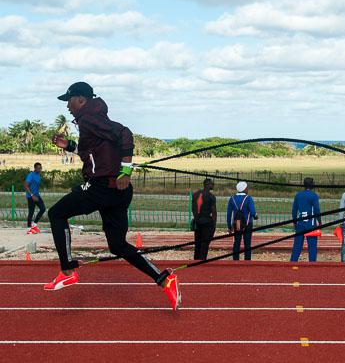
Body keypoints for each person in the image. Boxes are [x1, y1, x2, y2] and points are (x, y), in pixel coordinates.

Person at [46, 81, 181, 310]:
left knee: (56, 213)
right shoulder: (91, 118)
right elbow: (94, 151)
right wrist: (69, 145)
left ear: (80, 99)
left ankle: (67, 270)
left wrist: (126, 170)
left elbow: (124, 133)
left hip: (101, 188)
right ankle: (165, 280)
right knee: (117, 245)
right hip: (117, 192)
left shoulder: (89, 117)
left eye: (68, 101)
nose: (67, 106)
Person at [290, 177, 322, 262]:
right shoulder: (314, 195)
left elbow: (294, 210)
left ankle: (292, 262)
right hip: (311, 224)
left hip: (300, 223)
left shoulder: (298, 195)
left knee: (297, 245)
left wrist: (294, 222)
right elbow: (317, 210)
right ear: (312, 185)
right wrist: (319, 221)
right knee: (312, 246)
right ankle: (312, 264)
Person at [227, 181, 257, 260]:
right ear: (244, 189)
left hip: (237, 223)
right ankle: (247, 260)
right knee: (247, 243)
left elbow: (229, 213)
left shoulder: (232, 199)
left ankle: (235, 259)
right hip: (247, 223)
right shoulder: (248, 198)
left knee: (237, 242)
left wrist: (229, 226)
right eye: (247, 188)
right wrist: (255, 216)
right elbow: (253, 211)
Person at [192, 178, 218, 260]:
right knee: (205, 243)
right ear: (207, 185)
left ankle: (196, 259)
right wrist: (214, 223)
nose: (213, 185)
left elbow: (193, 208)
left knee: (197, 243)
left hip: (197, 221)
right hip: (207, 222)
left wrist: (196, 218)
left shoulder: (195, 194)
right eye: (212, 184)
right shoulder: (211, 196)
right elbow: (214, 211)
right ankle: (202, 259)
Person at [24, 162, 45, 234]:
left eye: (41, 168)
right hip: (31, 196)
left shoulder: (38, 175)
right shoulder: (31, 175)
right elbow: (26, 185)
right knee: (31, 212)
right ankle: (29, 229)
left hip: (37, 195)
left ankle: (34, 225)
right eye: (38, 168)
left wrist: (36, 194)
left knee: (43, 208)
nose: (40, 169)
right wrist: (32, 195)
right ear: (35, 168)